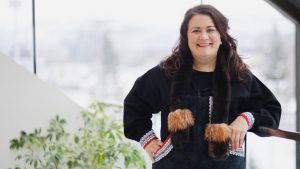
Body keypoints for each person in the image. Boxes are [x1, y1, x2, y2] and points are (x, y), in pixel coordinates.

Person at [123, 4, 281, 169]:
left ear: (221, 35)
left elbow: (272, 111)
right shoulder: (165, 74)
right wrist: (148, 141)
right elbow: (134, 107)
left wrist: (245, 119)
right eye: (196, 30)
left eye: (210, 30)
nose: (203, 37)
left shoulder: (239, 77)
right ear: (186, 36)